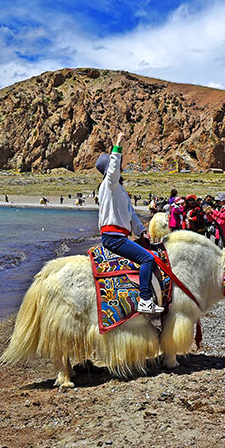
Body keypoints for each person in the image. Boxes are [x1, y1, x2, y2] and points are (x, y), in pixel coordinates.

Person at [96, 133, 162, 315]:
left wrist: (141, 232)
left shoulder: (118, 190)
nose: (120, 166)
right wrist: (117, 145)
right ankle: (146, 300)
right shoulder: (110, 184)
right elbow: (113, 170)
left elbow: (131, 215)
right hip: (114, 237)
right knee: (147, 259)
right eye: (116, 164)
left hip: (118, 236)